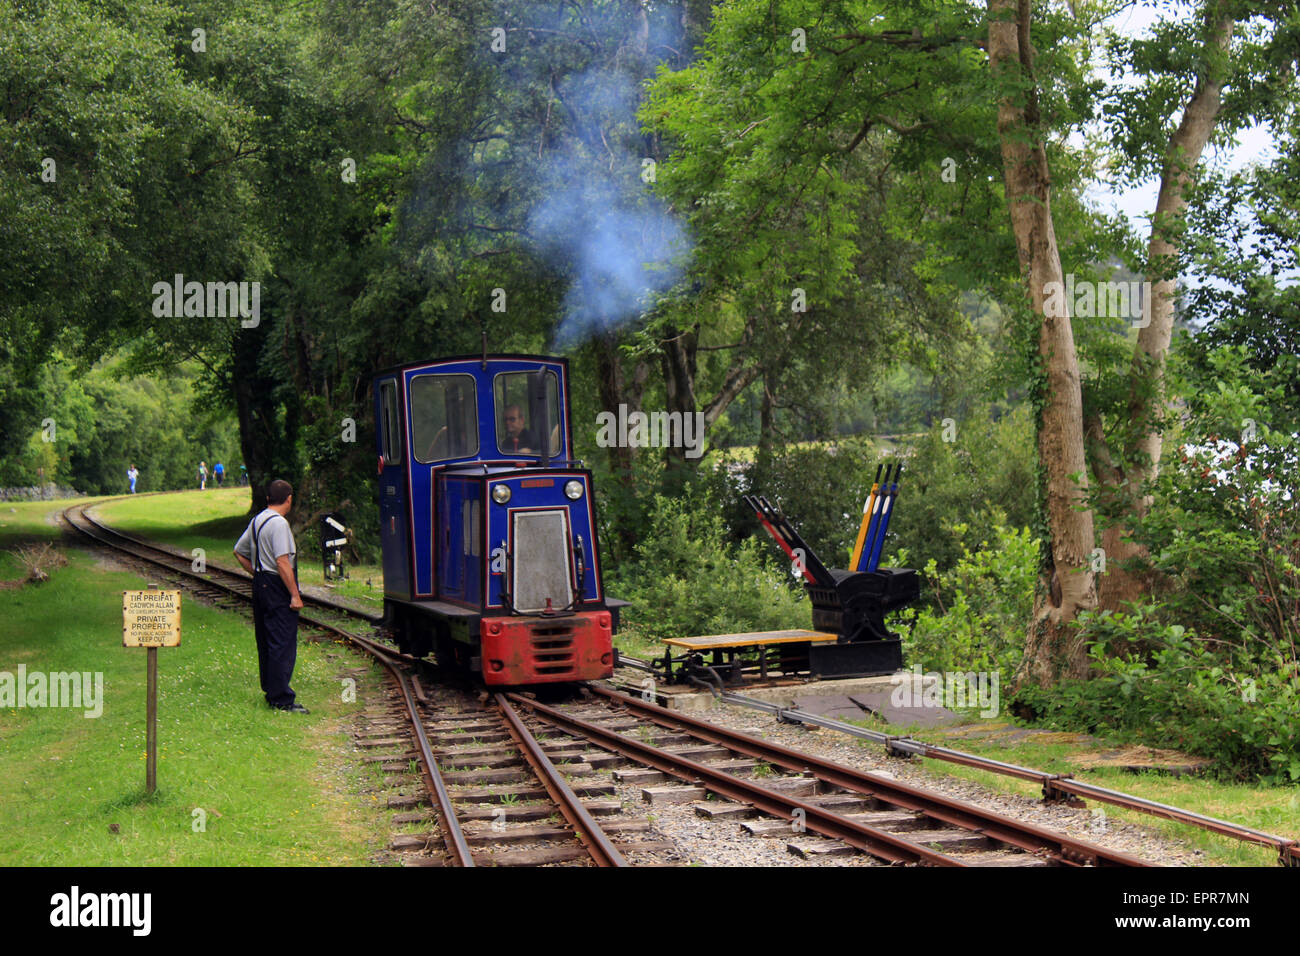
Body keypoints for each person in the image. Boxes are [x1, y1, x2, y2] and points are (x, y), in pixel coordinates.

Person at [232, 479, 308, 714]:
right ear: (289, 499)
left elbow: (238, 551)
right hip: (277, 586)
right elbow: (283, 562)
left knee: (265, 639)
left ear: (267, 499)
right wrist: (294, 594)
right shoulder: (279, 524)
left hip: (261, 585)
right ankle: (282, 699)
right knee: (282, 641)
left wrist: (257, 573)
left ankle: (271, 690)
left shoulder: (257, 520)